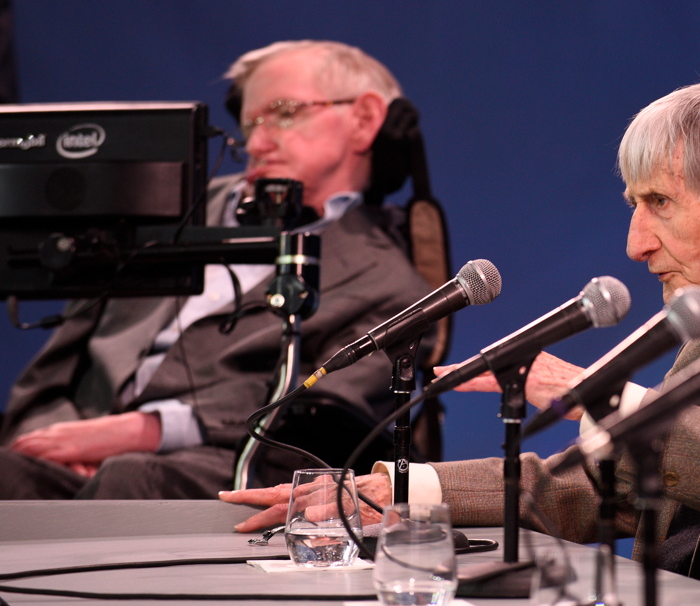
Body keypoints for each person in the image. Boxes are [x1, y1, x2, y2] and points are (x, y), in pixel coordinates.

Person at [222, 74, 700, 584]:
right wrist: (396, 489)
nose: (635, 244)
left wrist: (595, 391)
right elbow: (613, 491)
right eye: (633, 205)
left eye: (660, 204)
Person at [0, 40, 431, 499]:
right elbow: (51, 373)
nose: (257, 144)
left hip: (222, 467)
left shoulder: (389, 285)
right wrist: (52, 438)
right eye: (250, 125)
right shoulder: (163, 212)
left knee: (131, 480)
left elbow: (323, 414)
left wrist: (150, 430)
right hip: (72, 455)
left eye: (284, 112)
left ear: (364, 120)